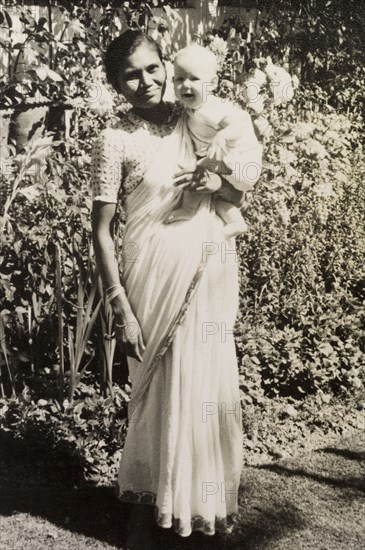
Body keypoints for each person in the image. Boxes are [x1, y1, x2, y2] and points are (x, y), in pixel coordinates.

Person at [90, 29, 262, 550]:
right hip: (148, 278)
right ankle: (149, 501)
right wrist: (120, 305)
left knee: (203, 384)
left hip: (204, 268)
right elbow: (100, 229)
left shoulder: (196, 118)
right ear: (116, 84)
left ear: (165, 65)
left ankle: (199, 503)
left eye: (150, 68)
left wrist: (220, 186)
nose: (144, 82)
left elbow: (236, 191)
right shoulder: (113, 138)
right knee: (154, 390)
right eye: (129, 75)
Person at [165, 44, 260, 238]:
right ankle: (236, 222)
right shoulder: (193, 108)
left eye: (194, 79)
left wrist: (221, 136)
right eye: (180, 79)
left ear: (213, 83)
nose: (186, 85)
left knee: (196, 171)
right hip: (231, 169)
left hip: (240, 162)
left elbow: (239, 123)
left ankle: (188, 209)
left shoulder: (212, 107)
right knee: (215, 197)